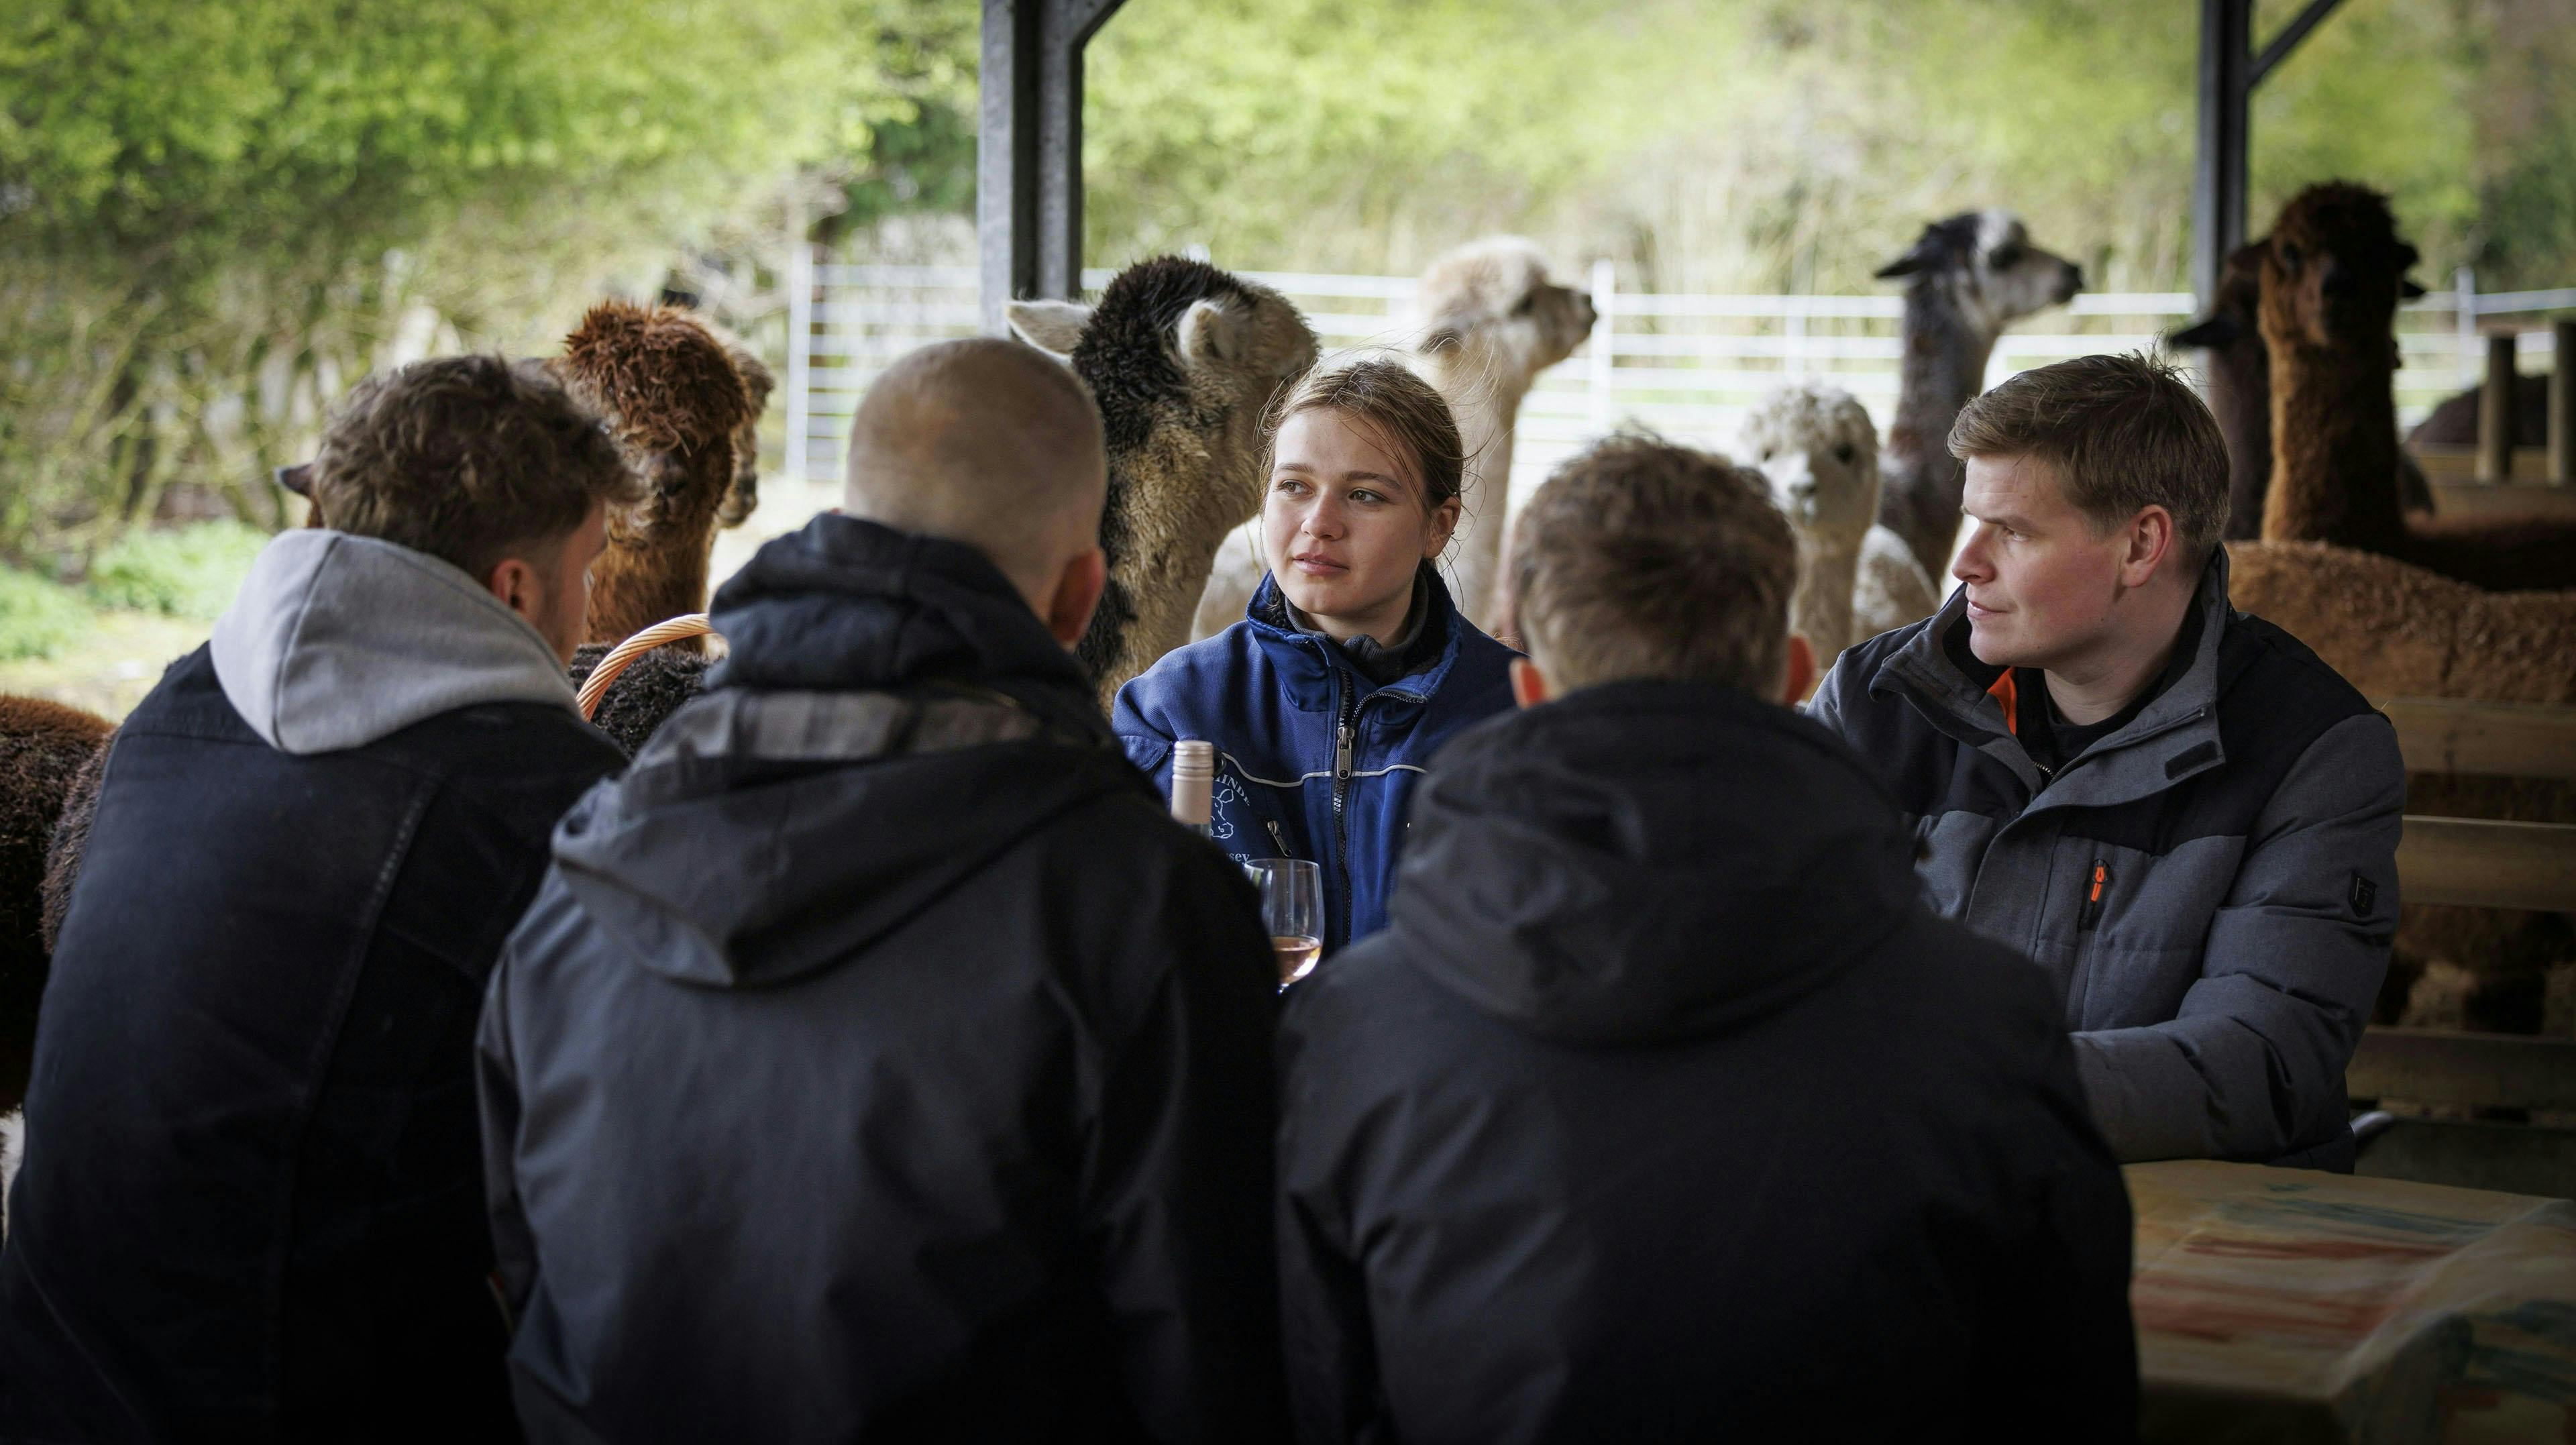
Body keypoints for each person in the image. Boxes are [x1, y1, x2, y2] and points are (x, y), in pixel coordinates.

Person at [478, 338, 1287, 1442]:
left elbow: (522, 1265)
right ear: (1077, 594)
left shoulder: (584, 860)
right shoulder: (1138, 904)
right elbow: (1210, 1353)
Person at [1274, 433, 2137, 1443]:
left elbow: (1315, 1397)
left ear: (1532, 690)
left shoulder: (1353, 1029)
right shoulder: (1989, 1023)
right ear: (1795, 673)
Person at [0, 356, 634, 1440]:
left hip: (52, 1366)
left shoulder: (179, 702)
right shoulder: (548, 803)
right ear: (516, 589)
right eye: (589, 567)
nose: (586, 615)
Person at [1809, 352, 2404, 1169]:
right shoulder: (1876, 705)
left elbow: (2261, 1063)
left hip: (2189, 1242)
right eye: (1972, 519)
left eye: (2012, 531)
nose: (1964, 561)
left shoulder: (2314, 752)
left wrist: (1959, 1085)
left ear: (2141, 546)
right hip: (1904, 1197)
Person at [1115, 359, 1517, 957]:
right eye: (1295, 486)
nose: (1319, 524)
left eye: (1364, 495)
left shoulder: (1518, 712)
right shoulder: (1172, 712)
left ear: (1439, 526)